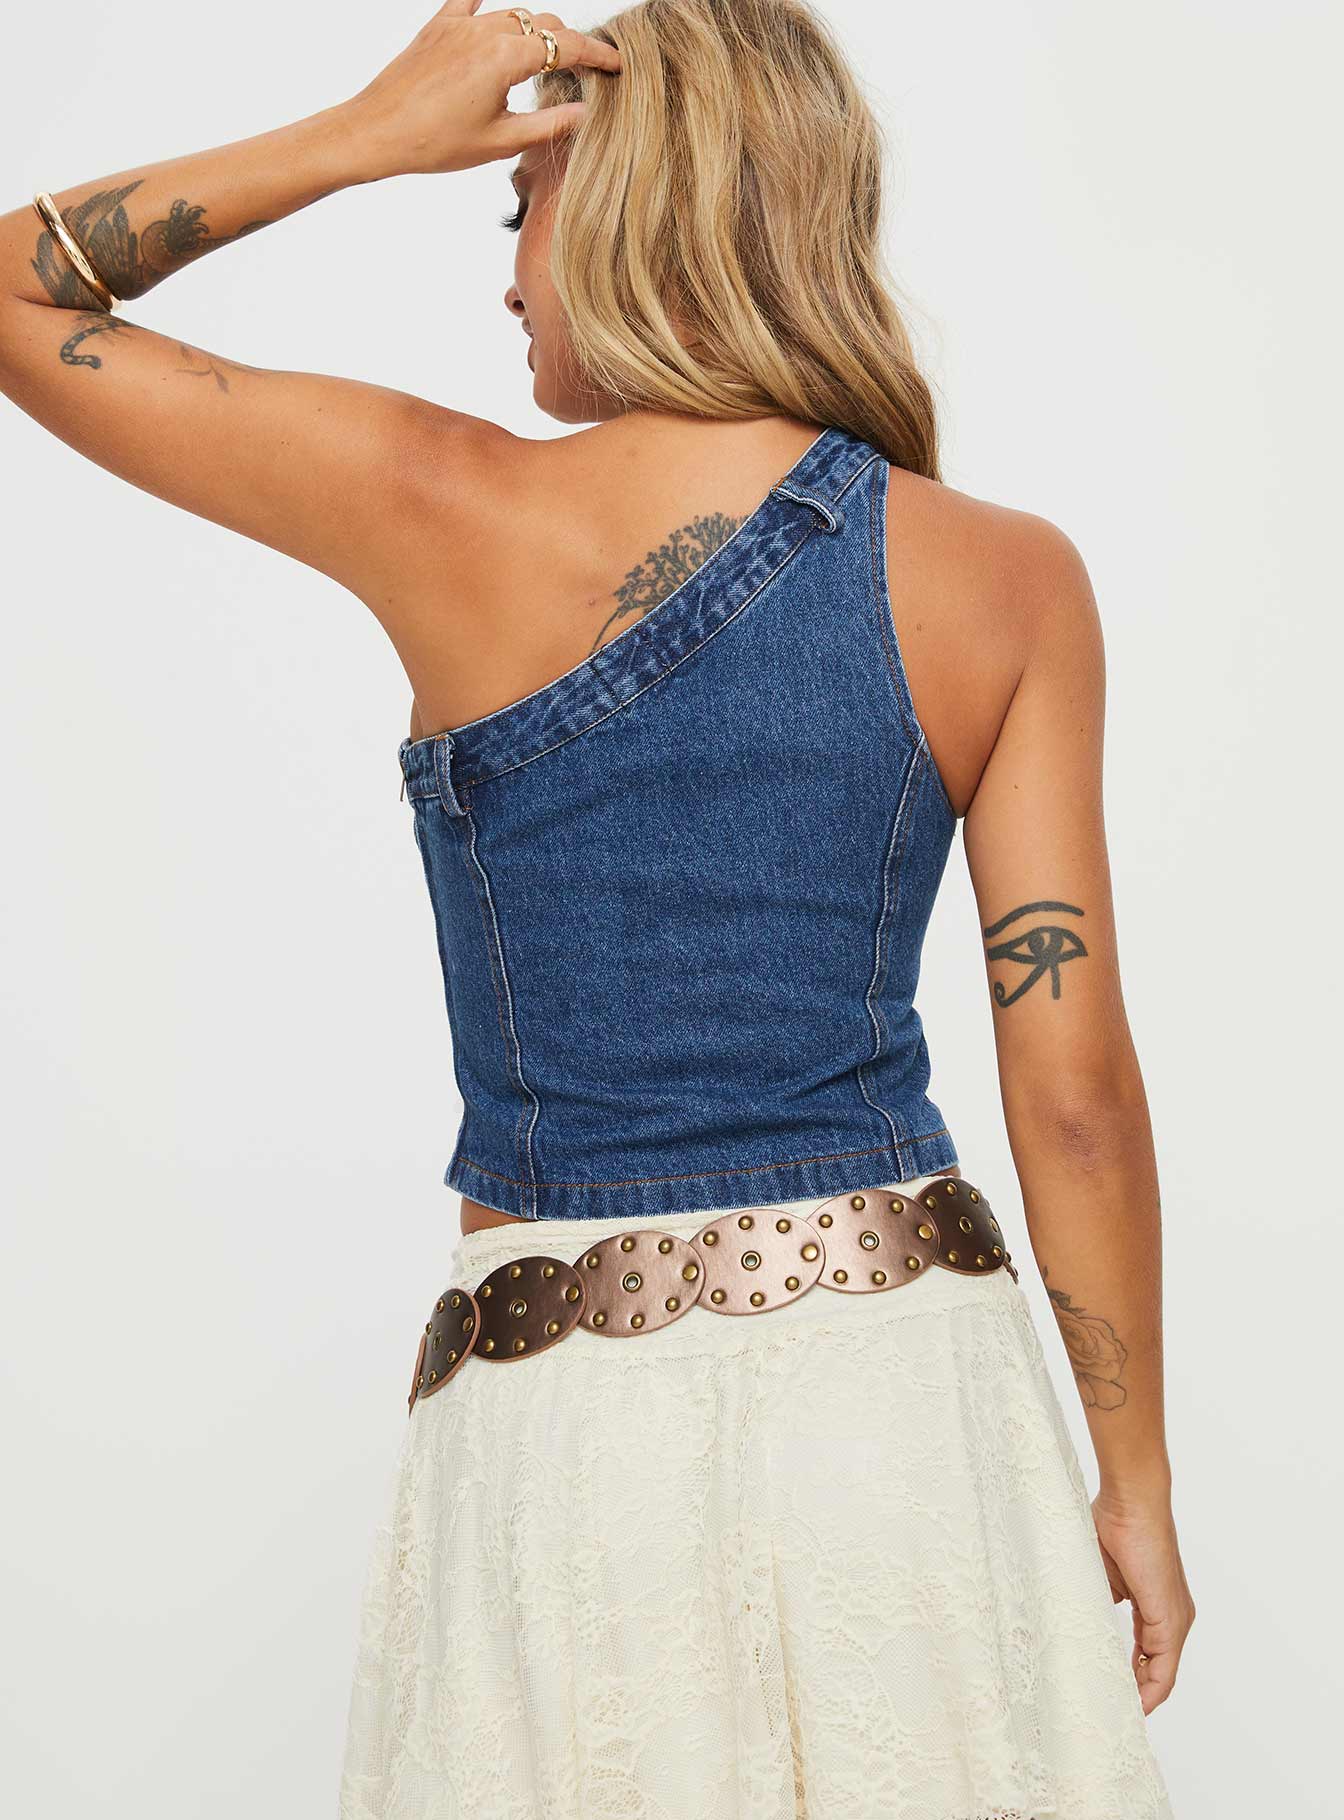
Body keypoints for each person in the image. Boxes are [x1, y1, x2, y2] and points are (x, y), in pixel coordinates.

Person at [0, 2, 1194, 1815]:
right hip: (908, 1405)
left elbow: (17, 295)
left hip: (568, 1426)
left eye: (520, 206)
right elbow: (1076, 1091)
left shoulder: (436, 501)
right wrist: (1137, 1484)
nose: (507, 275)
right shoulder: (1005, 578)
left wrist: (365, 132)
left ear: (637, 206)